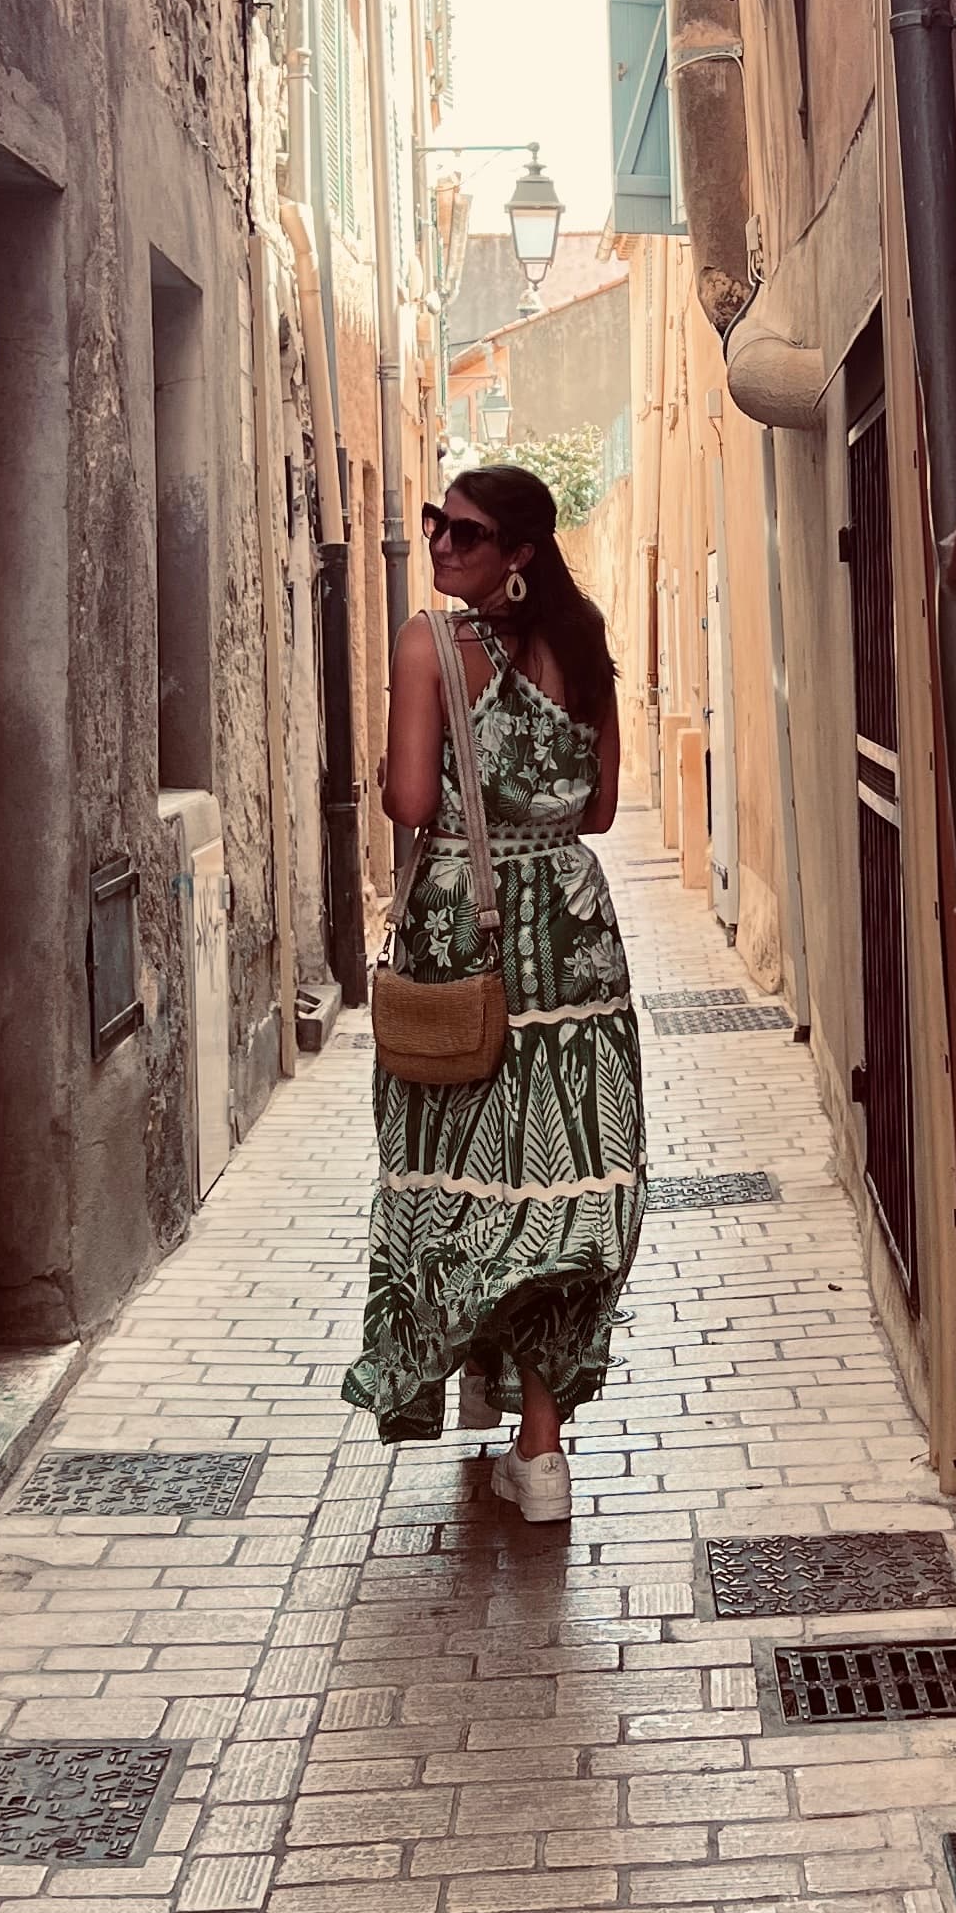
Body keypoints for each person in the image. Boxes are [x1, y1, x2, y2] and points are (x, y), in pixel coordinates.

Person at [341, 462, 645, 1522]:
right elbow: (601, 811)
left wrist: (394, 776)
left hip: (464, 937)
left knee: (461, 1176)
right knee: (564, 1181)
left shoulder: (431, 645)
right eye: (433, 525)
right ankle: (541, 1447)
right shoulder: (587, 637)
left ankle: (487, 1388)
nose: (437, 546)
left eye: (461, 533)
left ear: (516, 553)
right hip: (576, 936)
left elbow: (413, 797)